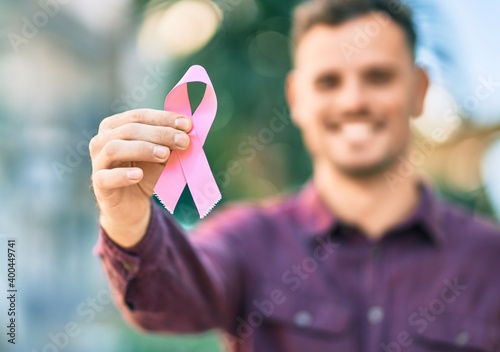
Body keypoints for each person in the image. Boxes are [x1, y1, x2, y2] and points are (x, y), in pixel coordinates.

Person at [90, 0, 500, 351]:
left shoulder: (488, 259)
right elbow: (170, 298)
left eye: (378, 77)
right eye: (328, 81)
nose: (353, 100)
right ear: (297, 98)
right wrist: (127, 219)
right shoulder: (246, 240)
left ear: (419, 89)